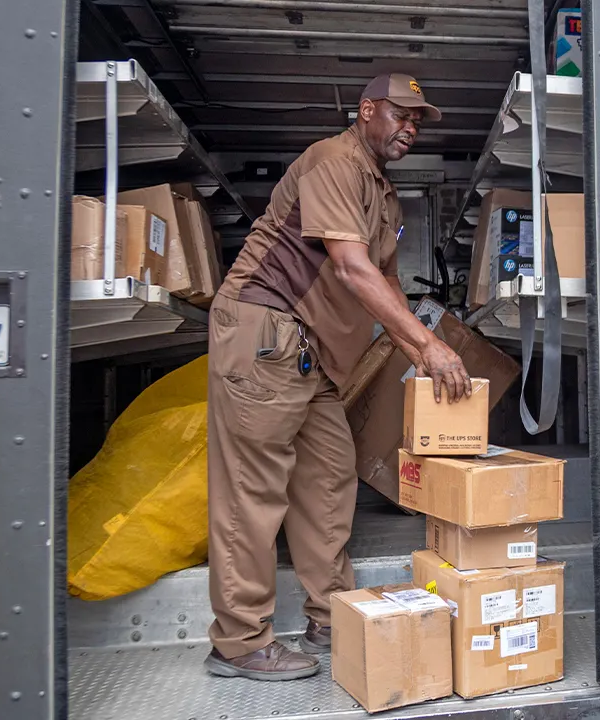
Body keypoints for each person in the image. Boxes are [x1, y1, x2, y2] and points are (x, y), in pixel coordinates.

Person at [202, 73, 472, 681]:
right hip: (267, 332)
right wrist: (426, 347)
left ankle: (330, 615)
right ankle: (239, 643)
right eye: (399, 116)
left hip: (314, 355)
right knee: (253, 493)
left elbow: (387, 284)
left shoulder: (384, 194)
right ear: (366, 109)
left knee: (328, 480)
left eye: (416, 122)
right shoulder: (333, 162)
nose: (408, 129)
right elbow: (351, 268)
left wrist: (424, 352)